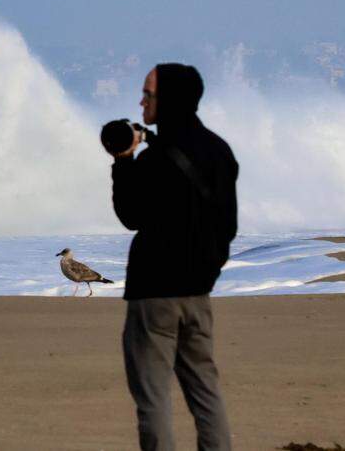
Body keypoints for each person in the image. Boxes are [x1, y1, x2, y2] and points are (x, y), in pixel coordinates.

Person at [108, 63, 238, 451]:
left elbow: (130, 215)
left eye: (148, 94)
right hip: (198, 294)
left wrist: (122, 160)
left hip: (153, 297)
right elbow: (227, 227)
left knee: (153, 399)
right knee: (206, 393)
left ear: (170, 100)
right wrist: (206, 274)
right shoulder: (219, 151)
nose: (141, 101)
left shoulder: (155, 158)